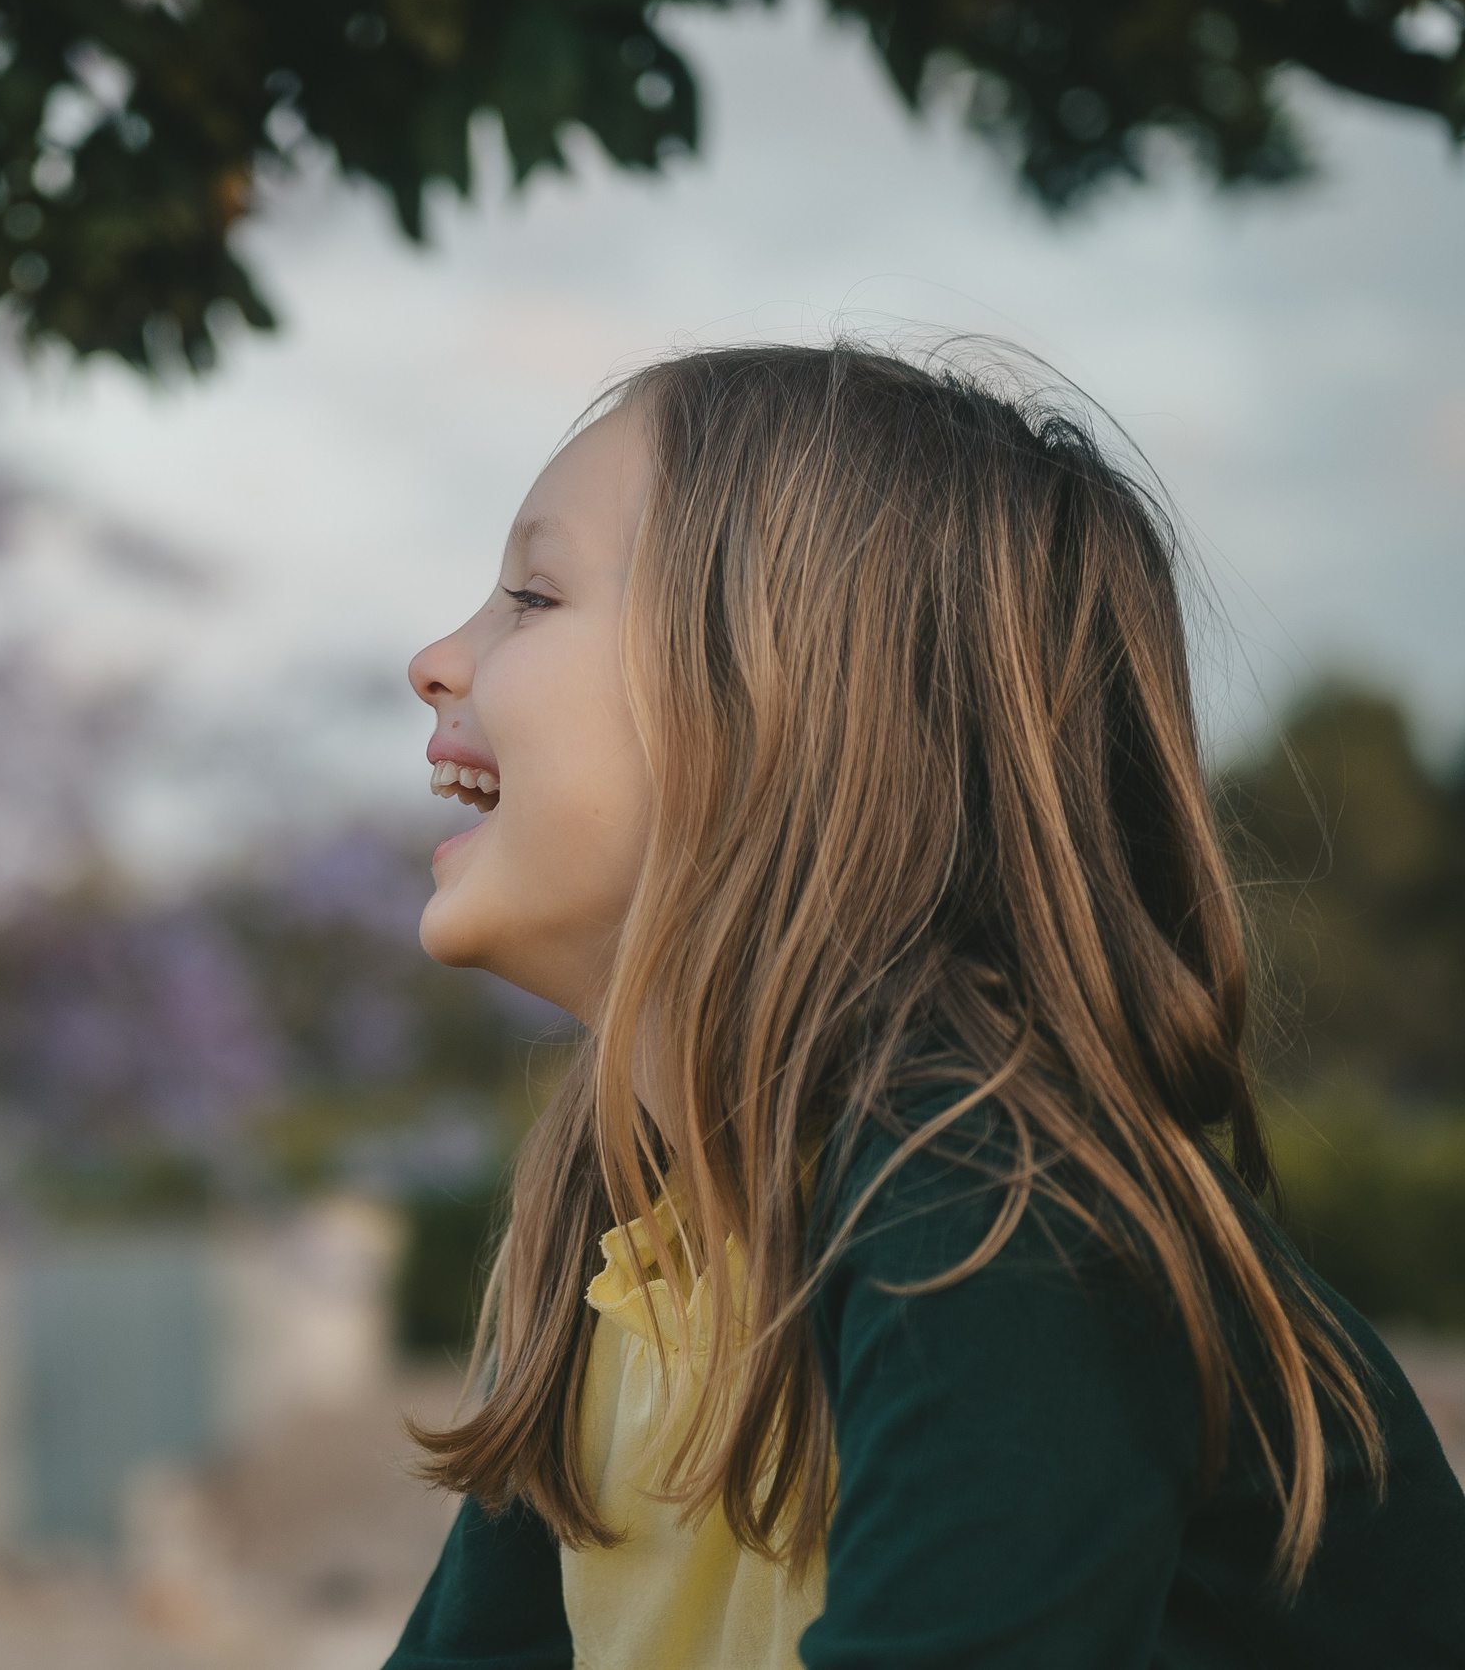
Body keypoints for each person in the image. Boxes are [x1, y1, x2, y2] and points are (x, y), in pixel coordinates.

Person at [383, 341, 1465, 1670]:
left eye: (533, 597)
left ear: (788, 711)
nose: (437, 658)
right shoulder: (634, 1255)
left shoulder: (994, 1203)